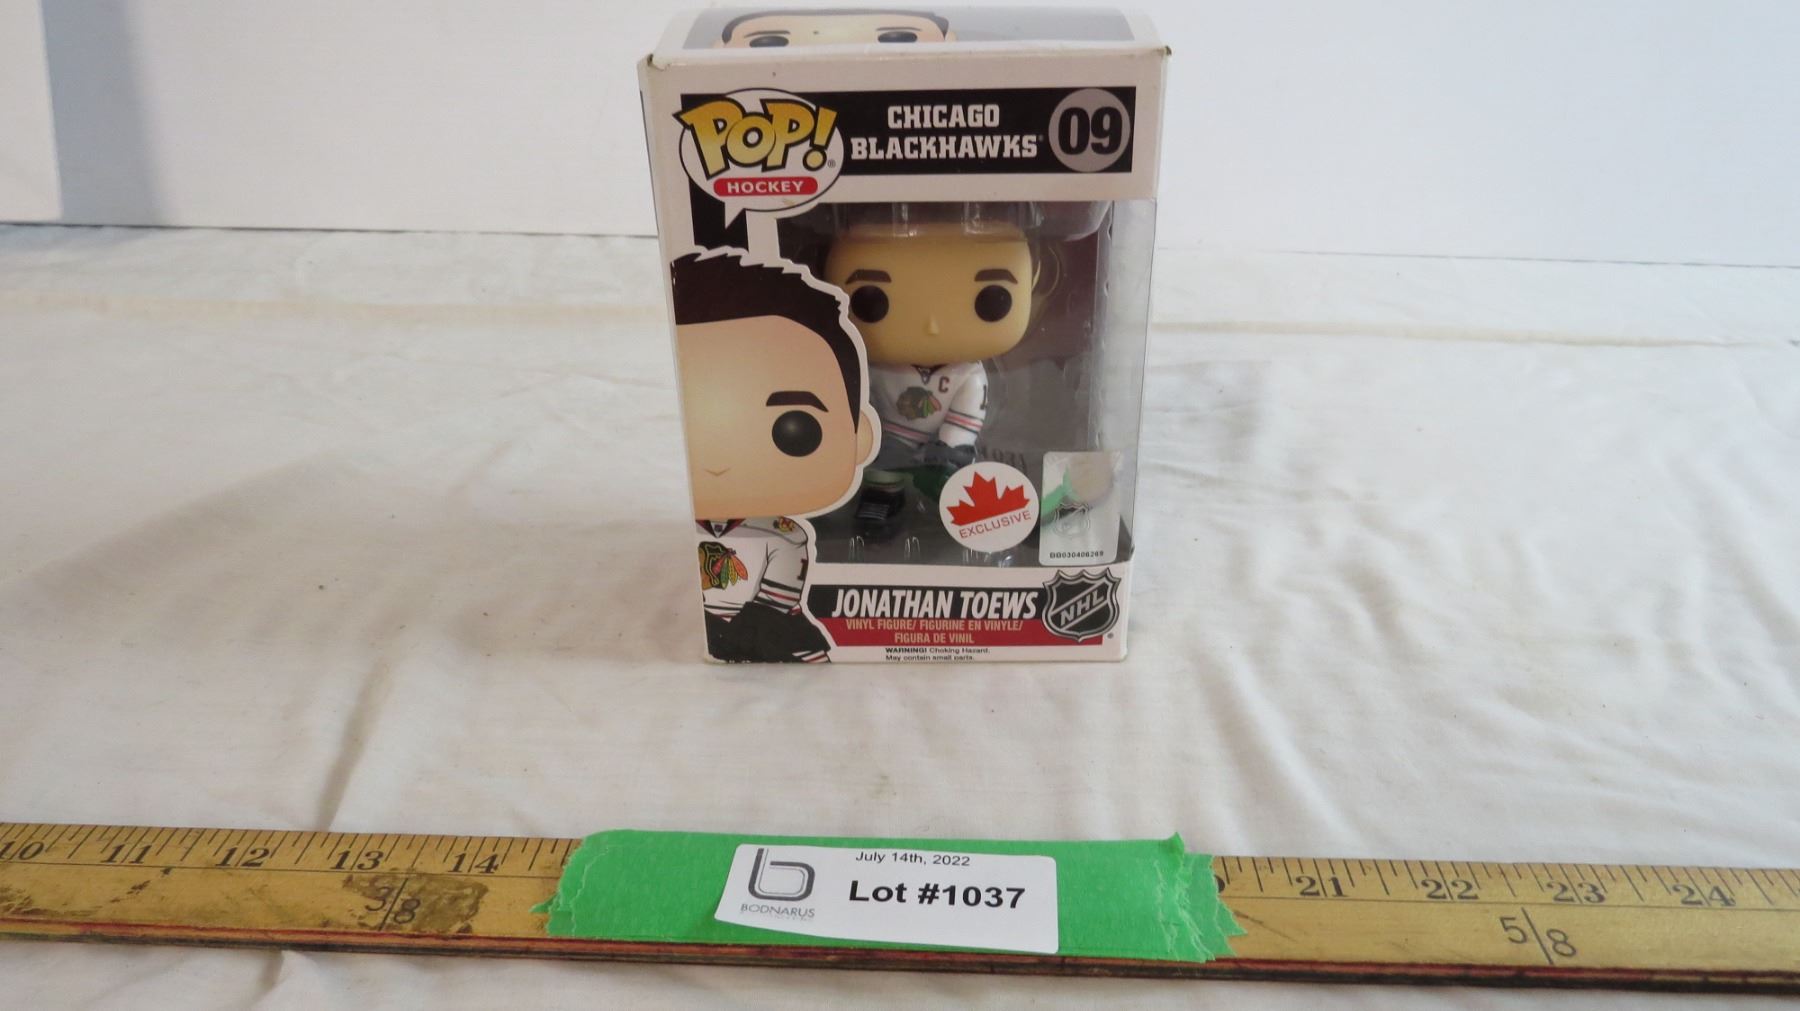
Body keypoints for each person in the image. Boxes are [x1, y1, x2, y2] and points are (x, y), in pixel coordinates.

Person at [671, 250, 876, 661]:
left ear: (861, 437)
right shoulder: (693, 526)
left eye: (794, 429)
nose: (720, 460)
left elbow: (775, 602)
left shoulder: (784, 536)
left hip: (770, 629)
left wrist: (740, 635)